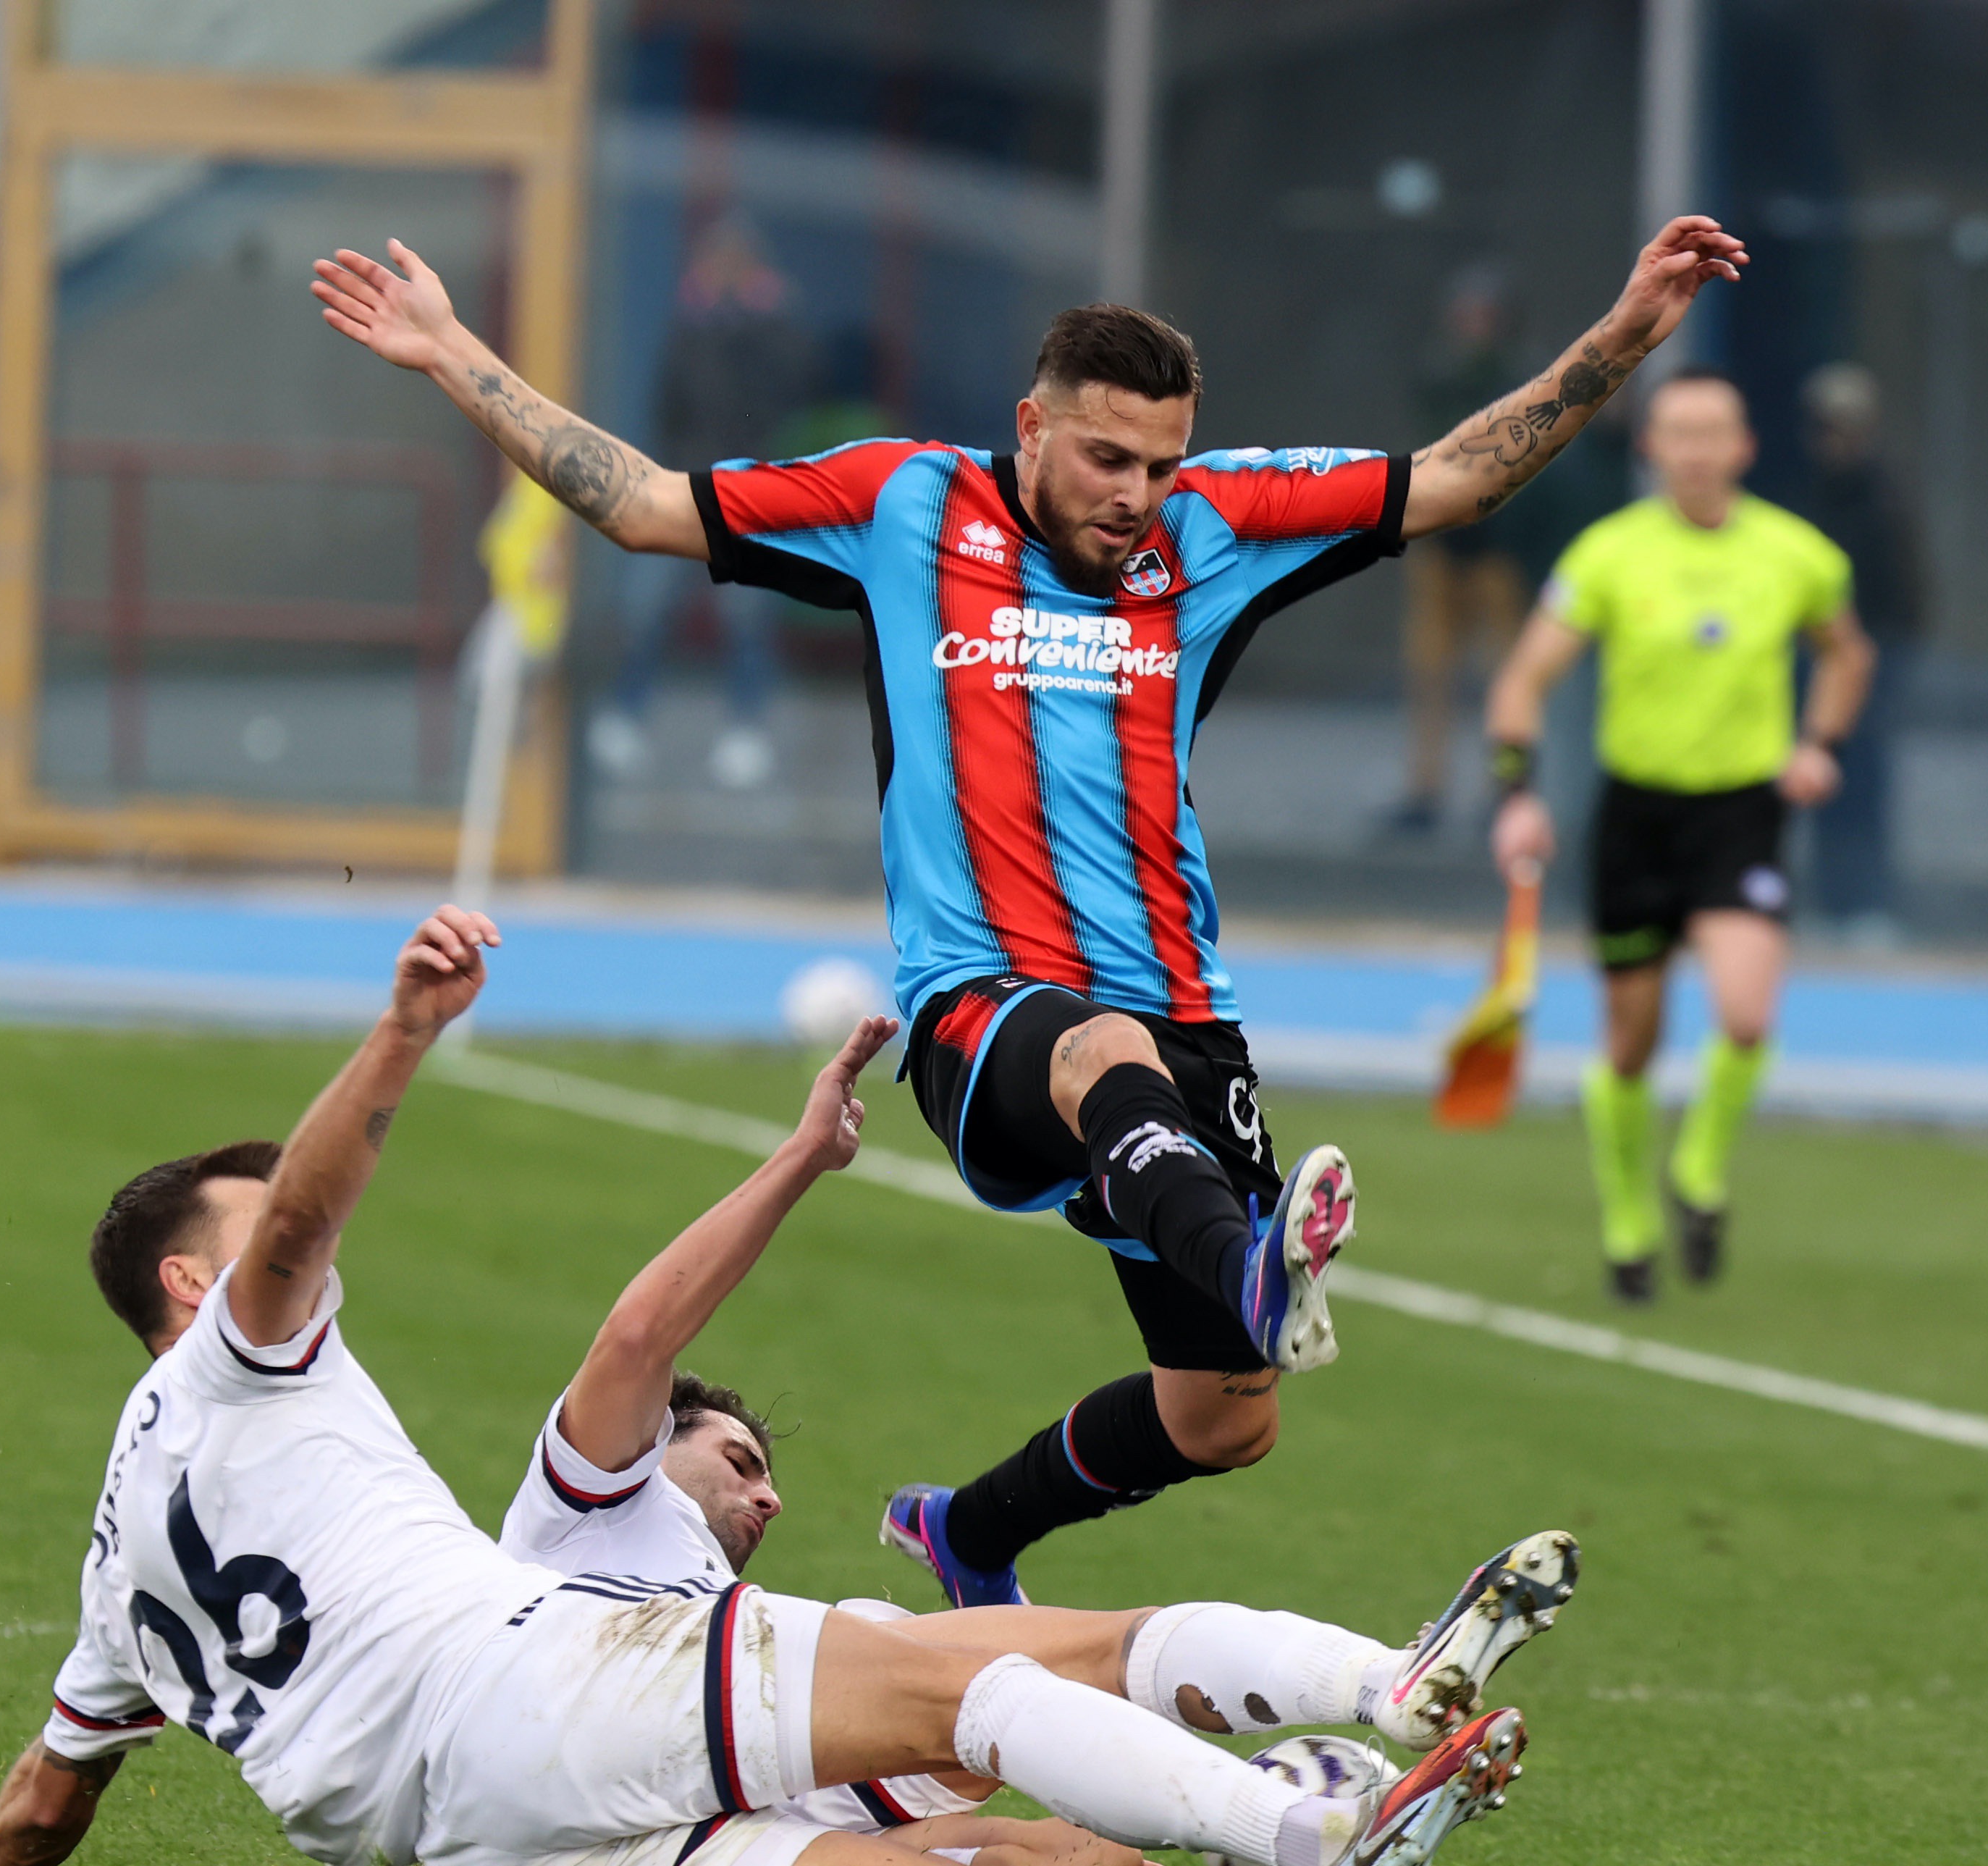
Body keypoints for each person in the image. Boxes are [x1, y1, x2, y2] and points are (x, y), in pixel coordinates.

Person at [311, 214, 1744, 1607]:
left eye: (1159, 463)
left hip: (1185, 1014)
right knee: (1098, 1057)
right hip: (983, 1011)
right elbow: (637, 503)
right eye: (1107, 458)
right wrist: (450, 353)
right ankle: (1246, 1266)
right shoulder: (902, 504)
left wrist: (1623, 334)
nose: (1135, 494)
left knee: (1223, 1419)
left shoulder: (1218, 524)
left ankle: (968, 1528)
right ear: (1032, 427)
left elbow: (1456, 479)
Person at [0, 910, 1567, 1866]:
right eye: (261, 1235)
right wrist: (402, 1032)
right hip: (523, 1693)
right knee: (979, 1683)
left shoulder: (118, 1562)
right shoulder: (236, 1364)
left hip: (466, 1847)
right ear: (196, 1284)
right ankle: (1312, 1828)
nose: (303, 1255)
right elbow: (342, 1233)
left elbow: (50, 1793)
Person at [1481, 369, 1874, 1303]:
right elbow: (1522, 681)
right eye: (1677, 433)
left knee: (1745, 1013)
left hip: (1740, 816)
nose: (1695, 451)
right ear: (1650, 448)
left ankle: (1698, 1166)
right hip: (1636, 821)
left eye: (1713, 432)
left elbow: (1846, 654)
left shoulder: (1797, 556)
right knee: (1630, 1045)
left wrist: (1818, 744)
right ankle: (1628, 1220)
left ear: (1743, 448)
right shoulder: (1608, 555)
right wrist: (1517, 795)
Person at [590, 213, 813, 792]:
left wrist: (757, 319)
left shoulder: (774, 328)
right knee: (646, 609)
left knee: (747, 618)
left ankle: (747, 730)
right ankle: (624, 715)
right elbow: (668, 403)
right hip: (685, 486)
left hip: (748, 491)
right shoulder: (689, 326)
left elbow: (787, 390)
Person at [1384, 262, 1533, 836]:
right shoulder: (1440, 376)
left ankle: (1507, 789)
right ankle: (1425, 788)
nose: (1473, 325)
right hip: (1443, 543)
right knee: (1430, 675)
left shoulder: (1518, 377)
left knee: (1508, 679)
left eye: (1483, 316)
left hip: (1499, 549)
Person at [1791, 363, 1926, 932]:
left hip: (1874, 659)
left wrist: (1887, 655)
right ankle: (1825, 900)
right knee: (1813, 777)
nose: (1837, 440)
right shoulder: (1807, 497)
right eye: (1827, 427)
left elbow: (1906, 591)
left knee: (1865, 781)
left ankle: (1866, 901)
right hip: (1813, 658)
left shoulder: (1886, 499)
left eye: (1848, 427)